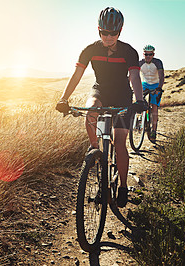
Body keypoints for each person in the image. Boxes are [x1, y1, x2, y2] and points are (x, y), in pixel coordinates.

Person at [56, 7, 147, 208]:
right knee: (90, 112)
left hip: (122, 95)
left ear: (120, 31)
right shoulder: (90, 50)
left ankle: (123, 186)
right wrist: (63, 99)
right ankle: (95, 152)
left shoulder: (128, 51)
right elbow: (77, 75)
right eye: (104, 33)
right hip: (100, 91)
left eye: (112, 33)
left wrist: (139, 100)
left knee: (121, 143)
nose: (108, 37)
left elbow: (133, 77)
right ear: (98, 30)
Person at [139, 44, 164, 143]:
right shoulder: (140, 63)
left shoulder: (158, 62)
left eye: (150, 54)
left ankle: (154, 130)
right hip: (145, 84)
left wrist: (159, 88)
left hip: (155, 84)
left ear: (153, 54)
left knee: (154, 106)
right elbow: (133, 75)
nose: (148, 56)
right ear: (143, 54)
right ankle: (143, 119)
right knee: (139, 100)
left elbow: (162, 76)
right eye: (146, 54)